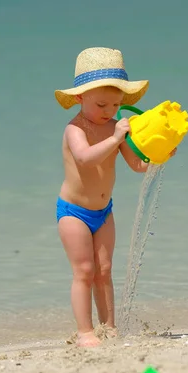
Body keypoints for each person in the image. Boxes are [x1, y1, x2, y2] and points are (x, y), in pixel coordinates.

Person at [53, 47, 176, 347]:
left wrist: (159, 154)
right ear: (80, 98)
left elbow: (137, 165)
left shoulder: (113, 129)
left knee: (104, 271)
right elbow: (85, 159)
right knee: (84, 270)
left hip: (103, 211)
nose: (110, 111)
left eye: (116, 104)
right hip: (74, 212)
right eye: (101, 104)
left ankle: (109, 326)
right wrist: (116, 137)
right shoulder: (75, 129)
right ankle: (85, 331)